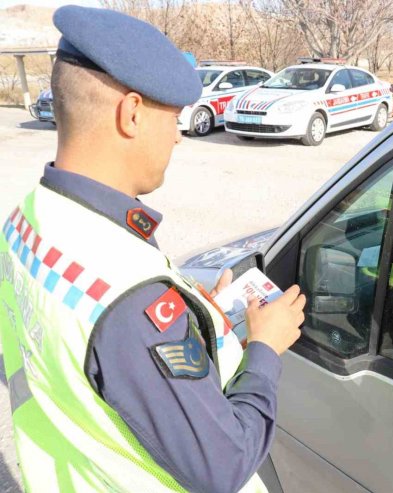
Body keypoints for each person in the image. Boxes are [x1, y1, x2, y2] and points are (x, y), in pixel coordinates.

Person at [0, 6, 304, 493]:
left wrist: (198, 318)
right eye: (173, 118)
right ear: (133, 113)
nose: (179, 137)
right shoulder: (130, 302)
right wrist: (265, 350)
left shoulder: (25, 222)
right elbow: (223, 466)